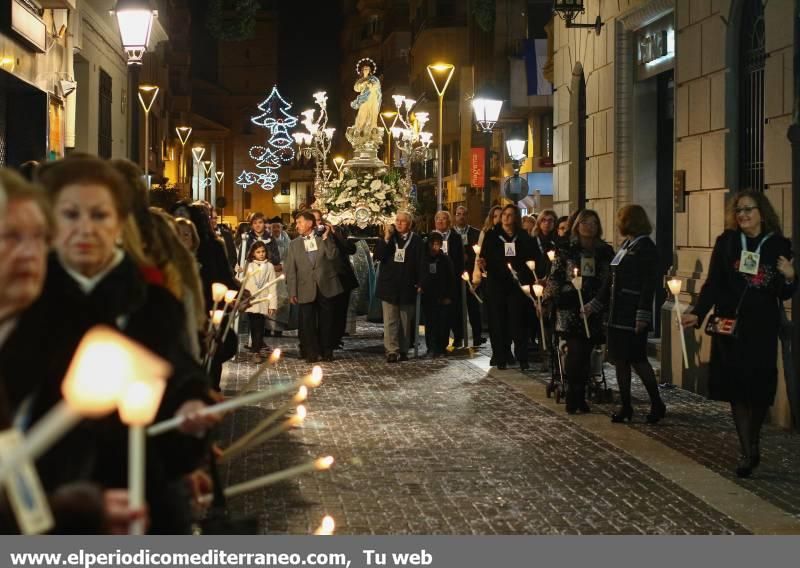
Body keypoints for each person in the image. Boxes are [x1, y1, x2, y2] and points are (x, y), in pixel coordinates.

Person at [6, 156, 216, 533]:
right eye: (70, 215)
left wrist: (190, 407)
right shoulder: (30, 302)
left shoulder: (151, 302)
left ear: (119, 223)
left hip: (136, 493)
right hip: (49, 497)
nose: (85, 229)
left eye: (99, 216)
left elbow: (178, 374)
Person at [681, 191, 796, 477]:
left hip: (761, 328)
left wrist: (791, 275)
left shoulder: (778, 245)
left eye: (748, 209)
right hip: (729, 326)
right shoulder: (728, 243)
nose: (742, 215)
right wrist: (698, 311)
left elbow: (783, 292)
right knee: (736, 389)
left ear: (762, 212)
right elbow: (714, 283)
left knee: (757, 390)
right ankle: (747, 451)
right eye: (738, 210)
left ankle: (753, 439)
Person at [591, 205, 664, 424]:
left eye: (620, 218)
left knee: (638, 360)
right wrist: (596, 303)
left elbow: (648, 284)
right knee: (620, 361)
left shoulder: (646, 247)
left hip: (632, 314)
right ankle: (625, 405)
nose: (617, 223)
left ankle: (657, 402)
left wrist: (642, 314)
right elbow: (611, 280)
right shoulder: (626, 245)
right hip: (616, 313)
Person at [545, 209, 614, 414]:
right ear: (577, 225)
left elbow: (608, 278)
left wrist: (598, 302)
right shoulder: (566, 249)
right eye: (585, 222)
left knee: (586, 352)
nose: (589, 226)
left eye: (593, 222)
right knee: (575, 351)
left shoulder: (604, 251)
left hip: (594, 307)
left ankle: (581, 394)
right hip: (570, 307)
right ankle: (573, 394)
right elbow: (556, 275)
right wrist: (549, 298)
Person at [480, 205, 537, 370]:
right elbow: (485, 256)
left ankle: (522, 357)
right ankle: (500, 356)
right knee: (498, 321)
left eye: (510, 215)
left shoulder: (523, 236)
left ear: (516, 218)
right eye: (504, 214)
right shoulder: (492, 235)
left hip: (516, 285)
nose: (506, 218)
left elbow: (529, 258)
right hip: (497, 284)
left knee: (518, 321)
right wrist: (483, 264)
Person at [284, 211, 343, 362]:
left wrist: (326, 238)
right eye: (297, 223)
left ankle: (327, 351)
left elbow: (332, 256)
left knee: (327, 321)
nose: (297, 226)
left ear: (310, 223)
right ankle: (311, 352)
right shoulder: (293, 244)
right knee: (307, 323)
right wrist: (292, 292)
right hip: (305, 288)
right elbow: (290, 270)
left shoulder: (323, 238)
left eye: (299, 222)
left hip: (326, 286)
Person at [374, 212, 422, 362]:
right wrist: (386, 238)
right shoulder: (388, 238)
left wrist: (421, 282)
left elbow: (421, 263)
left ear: (409, 224)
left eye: (403, 221)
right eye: (397, 221)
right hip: (389, 285)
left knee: (405, 320)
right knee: (390, 320)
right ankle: (391, 350)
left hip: (408, 285)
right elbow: (379, 256)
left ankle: (404, 349)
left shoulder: (417, 240)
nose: (399, 224)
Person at [310, 209, 358, 348]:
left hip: (341, 276)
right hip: (322, 278)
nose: (316, 223)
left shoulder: (335, 231)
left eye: (318, 220)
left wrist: (335, 234)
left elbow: (351, 249)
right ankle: (322, 340)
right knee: (323, 312)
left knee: (340, 310)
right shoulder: (307, 235)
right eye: (313, 220)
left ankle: (336, 339)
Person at [418, 233, 455, 358]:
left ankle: (442, 347)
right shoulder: (423, 258)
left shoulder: (444, 259)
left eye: (438, 244)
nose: (435, 246)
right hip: (428, 296)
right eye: (433, 244)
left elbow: (450, 278)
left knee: (443, 324)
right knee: (430, 323)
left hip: (443, 296)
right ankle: (431, 348)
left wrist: (449, 296)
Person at [432, 210, 465, 349]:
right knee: (437, 313)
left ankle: (458, 337)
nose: (440, 221)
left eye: (444, 219)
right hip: (435, 279)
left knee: (454, 310)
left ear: (449, 222)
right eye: (438, 218)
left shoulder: (456, 238)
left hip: (452, 279)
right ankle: (438, 341)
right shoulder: (430, 237)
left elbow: (460, 259)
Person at [242, 241, 278, 364]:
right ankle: (255, 348)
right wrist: (239, 272)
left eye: (263, 251)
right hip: (251, 301)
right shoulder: (248, 265)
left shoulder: (269, 266)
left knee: (259, 327)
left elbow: (273, 286)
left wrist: (272, 304)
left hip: (263, 301)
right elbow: (242, 281)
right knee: (253, 326)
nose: (261, 254)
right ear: (253, 253)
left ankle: (256, 351)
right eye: (258, 252)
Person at [453, 206, 483, 346]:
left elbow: (479, 253)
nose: (461, 217)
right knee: (457, 308)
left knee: (473, 307)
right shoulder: (451, 234)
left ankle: (477, 335)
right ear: (455, 216)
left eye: (464, 214)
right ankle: (458, 337)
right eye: (458, 214)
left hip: (472, 274)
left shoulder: (475, 233)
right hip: (456, 275)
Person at [267, 217, 292, 337]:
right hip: (269, 274)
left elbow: (290, 255)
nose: (276, 229)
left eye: (278, 227)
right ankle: (267, 328)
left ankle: (278, 329)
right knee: (269, 300)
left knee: (282, 300)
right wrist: (272, 266)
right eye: (273, 227)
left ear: (281, 227)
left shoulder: (287, 239)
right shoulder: (267, 239)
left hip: (282, 273)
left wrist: (282, 265)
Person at [350, 58, 382, 137]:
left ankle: (372, 127)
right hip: (364, 98)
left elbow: (377, 86)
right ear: (362, 70)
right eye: (364, 69)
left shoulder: (374, 79)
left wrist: (371, 85)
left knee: (372, 112)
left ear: (370, 70)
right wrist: (363, 83)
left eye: (367, 69)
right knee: (362, 112)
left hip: (373, 97)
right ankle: (360, 128)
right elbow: (356, 88)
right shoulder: (360, 80)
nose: (366, 70)